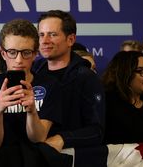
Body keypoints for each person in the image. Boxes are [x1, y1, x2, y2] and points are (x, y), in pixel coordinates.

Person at [0, 18, 60, 151]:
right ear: (3, 53)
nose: (19, 60)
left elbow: (38, 139)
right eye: (12, 52)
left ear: (35, 53)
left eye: (26, 53)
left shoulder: (50, 85)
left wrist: (32, 111)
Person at [34, 10, 105, 151]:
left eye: (53, 34)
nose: (45, 41)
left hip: (70, 157)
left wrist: (63, 139)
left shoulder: (86, 77)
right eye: (41, 35)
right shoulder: (32, 73)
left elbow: (97, 131)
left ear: (70, 40)